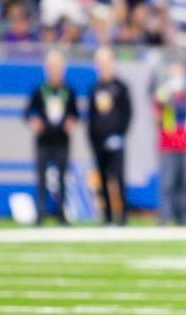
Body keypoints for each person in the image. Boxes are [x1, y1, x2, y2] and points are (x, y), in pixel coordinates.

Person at [25, 49, 78, 226]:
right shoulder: (40, 90)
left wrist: (72, 121)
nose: (55, 70)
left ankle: (61, 215)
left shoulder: (68, 90)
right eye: (52, 67)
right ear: (46, 69)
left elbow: (75, 113)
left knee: (62, 178)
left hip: (62, 140)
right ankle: (40, 215)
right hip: (43, 140)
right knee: (41, 178)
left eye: (58, 67)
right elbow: (27, 112)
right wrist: (33, 121)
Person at [154, 62, 186, 226]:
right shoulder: (164, 92)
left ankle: (183, 217)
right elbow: (158, 107)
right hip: (169, 142)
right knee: (167, 182)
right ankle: (164, 217)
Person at [87, 46, 132, 226]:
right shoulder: (95, 87)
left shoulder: (120, 87)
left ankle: (122, 216)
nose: (103, 66)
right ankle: (106, 216)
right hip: (98, 141)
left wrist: (120, 134)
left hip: (116, 140)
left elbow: (127, 113)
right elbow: (91, 116)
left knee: (118, 178)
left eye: (106, 62)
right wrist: (92, 138)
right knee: (103, 180)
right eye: (100, 63)